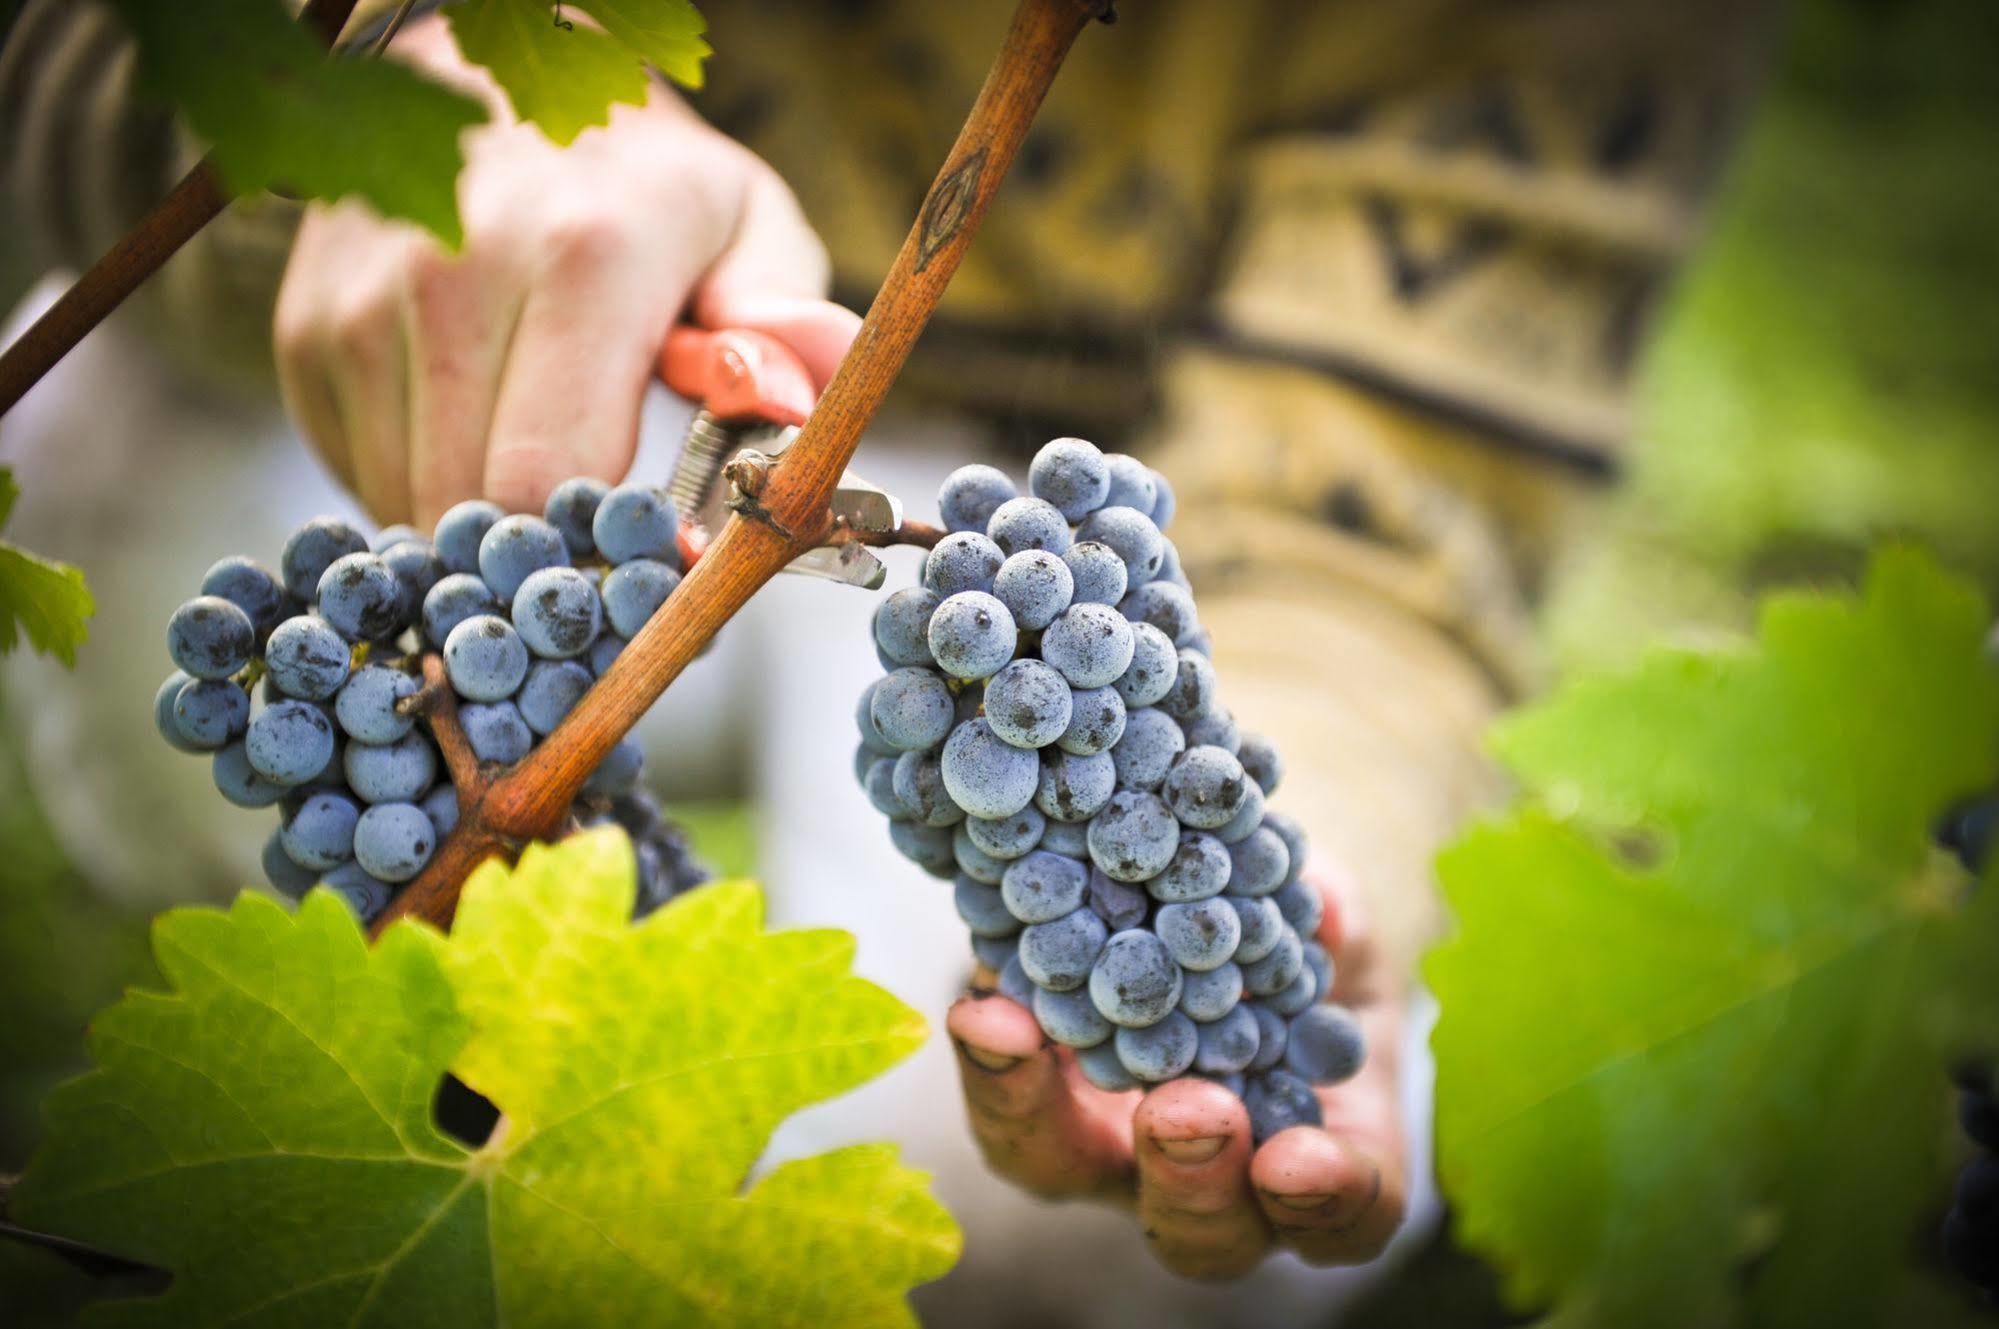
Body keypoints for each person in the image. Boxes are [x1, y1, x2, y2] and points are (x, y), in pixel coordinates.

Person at [0, 0, 1769, 1318]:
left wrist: (1316, 862)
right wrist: (372, 118)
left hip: (1040, 555)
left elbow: (1370, 549)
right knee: (104, 477)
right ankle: (433, 1026)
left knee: (1064, 1219)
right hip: (523, 394)